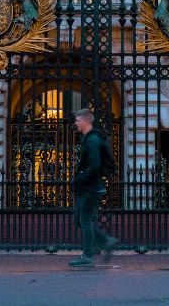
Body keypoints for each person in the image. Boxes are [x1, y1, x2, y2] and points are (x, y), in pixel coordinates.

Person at [68, 107, 120, 267]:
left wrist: (81, 178)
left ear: (85, 121)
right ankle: (106, 241)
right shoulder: (90, 138)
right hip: (89, 187)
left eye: (77, 120)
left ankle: (88, 256)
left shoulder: (92, 140)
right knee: (80, 219)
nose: (76, 123)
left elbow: (95, 164)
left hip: (91, 187)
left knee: (83, 219)